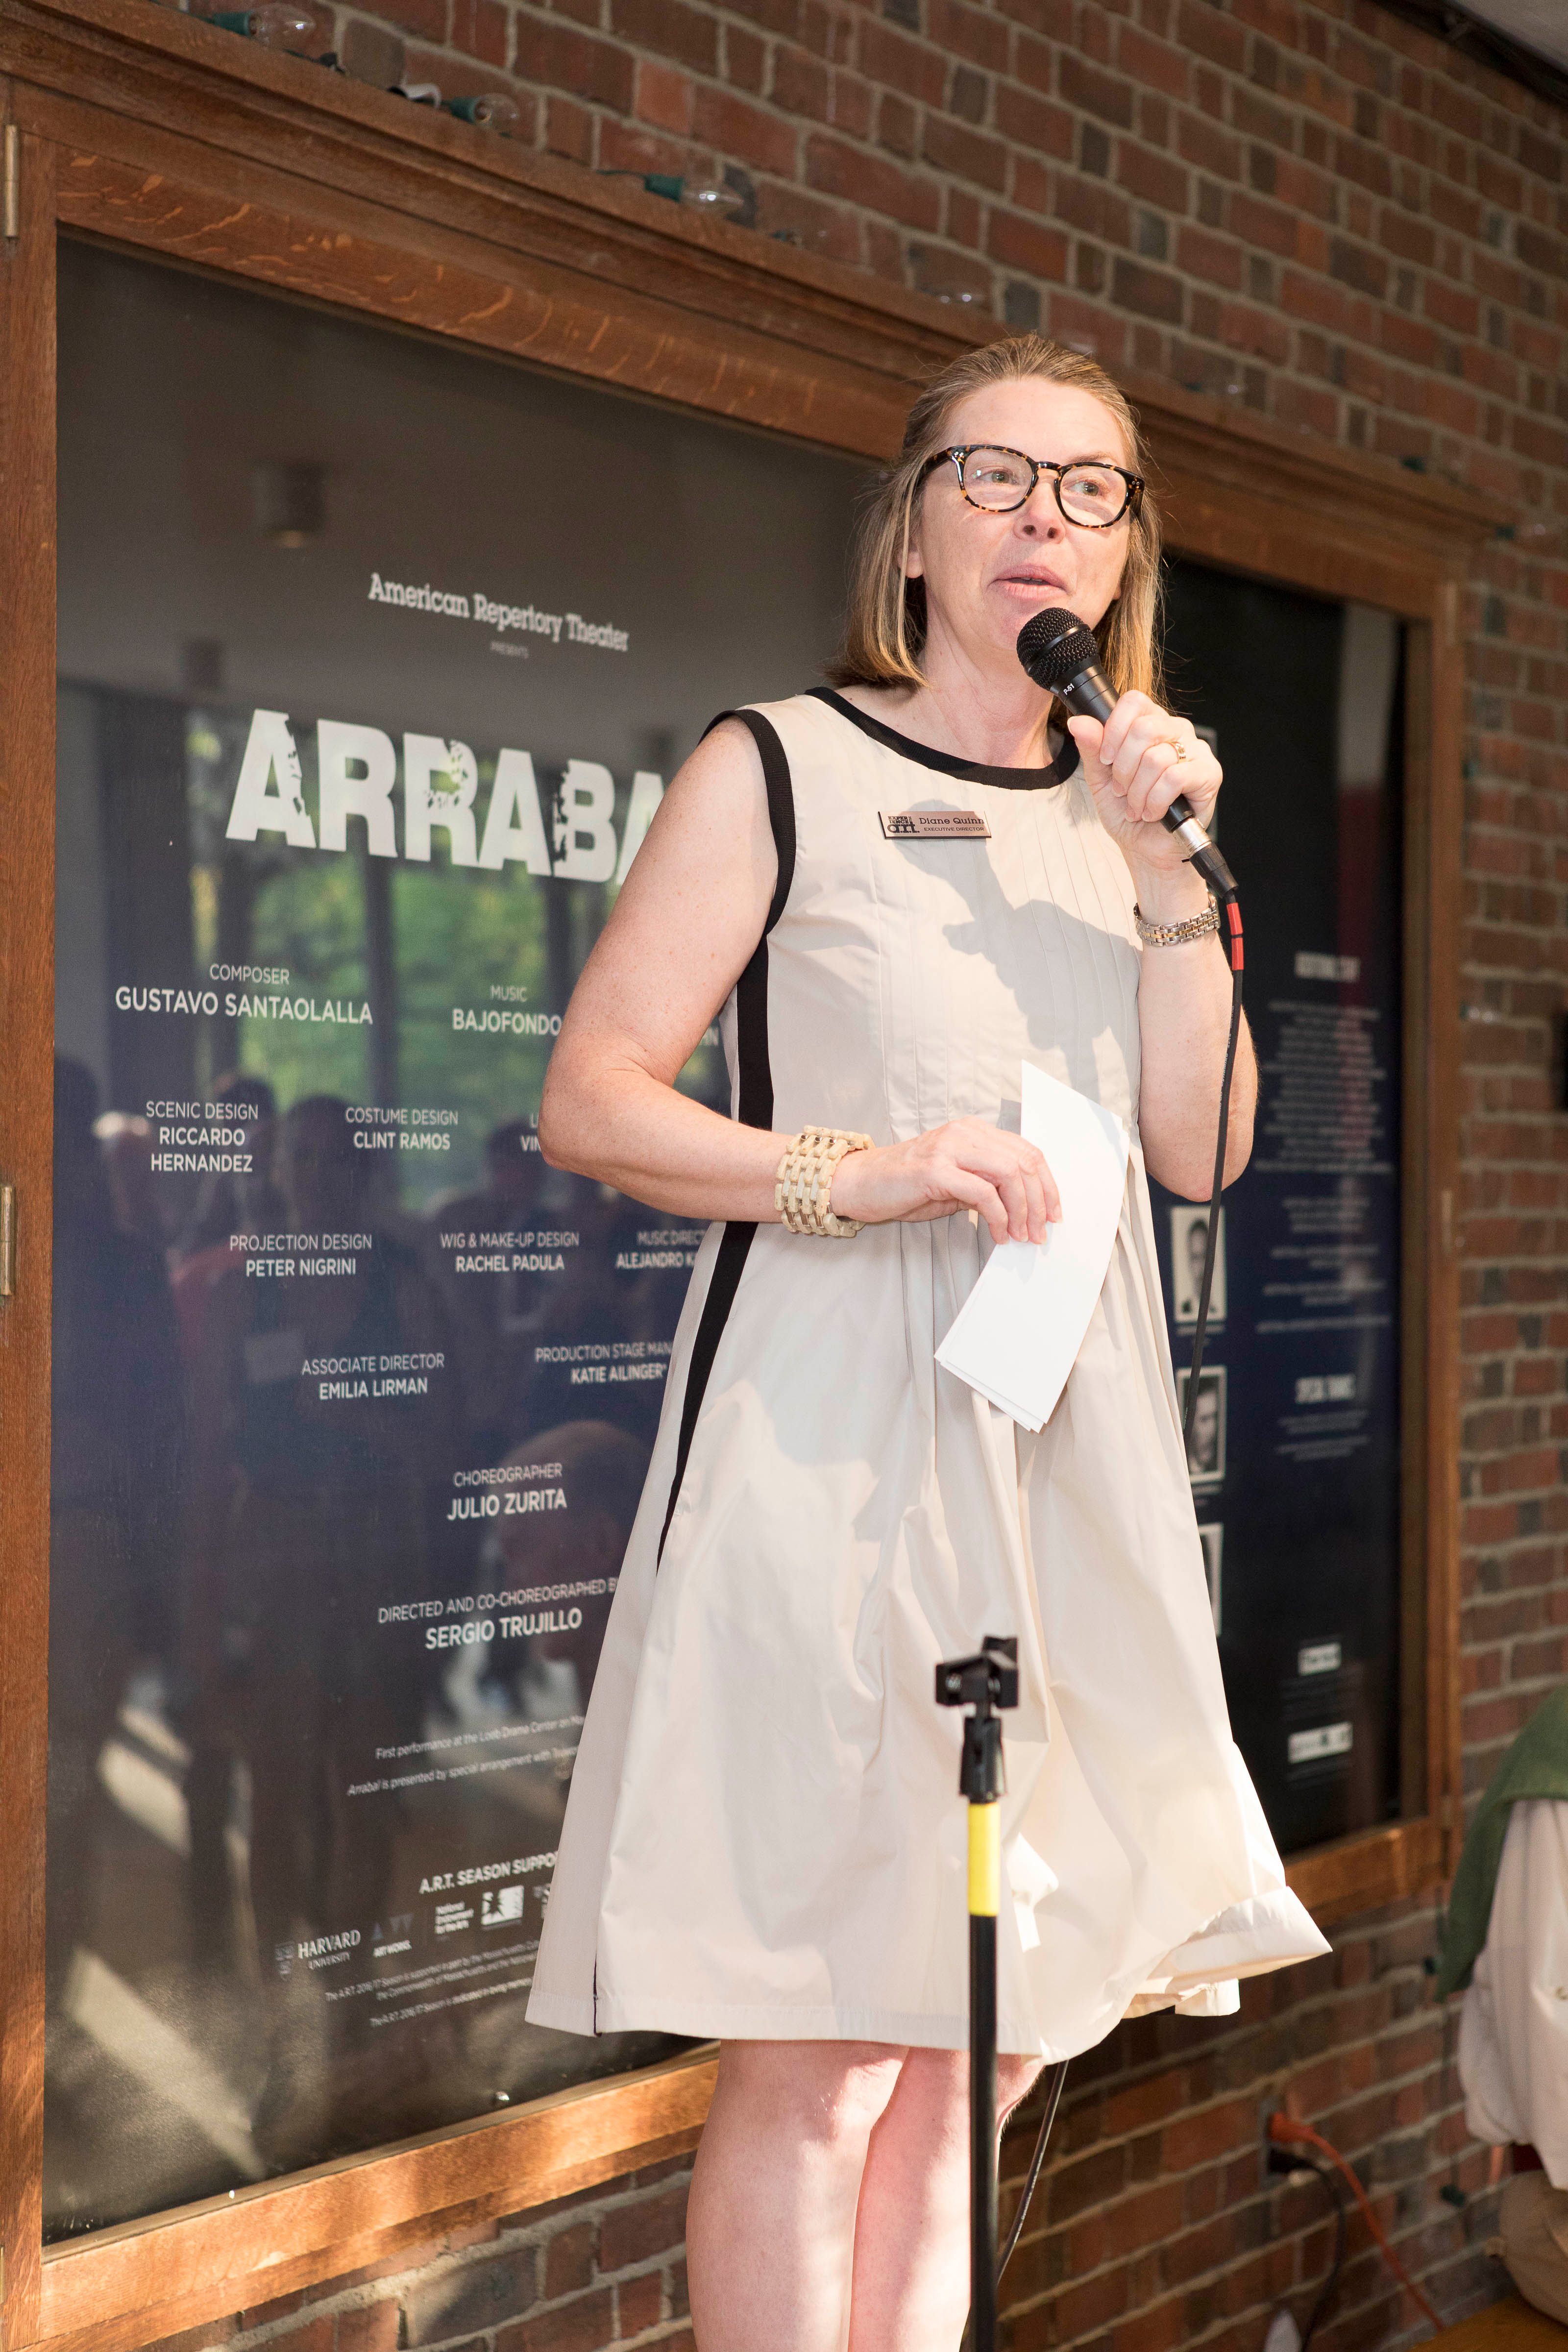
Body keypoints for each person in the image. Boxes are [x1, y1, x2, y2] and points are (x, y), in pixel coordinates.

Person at [525, 333, 1327, 2350]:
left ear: (1125, 551)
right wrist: (861, 1172)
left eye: (1087, 489)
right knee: (821, 2045)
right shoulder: (782, 764)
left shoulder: (1140, 816)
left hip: (1063, 1447)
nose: (1042, 520)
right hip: (834, 1444)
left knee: (997, 2031)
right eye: (995, 476)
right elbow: (592, 1101)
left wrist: (1163, 877)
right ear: (910, 528)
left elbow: (1201, 1146)